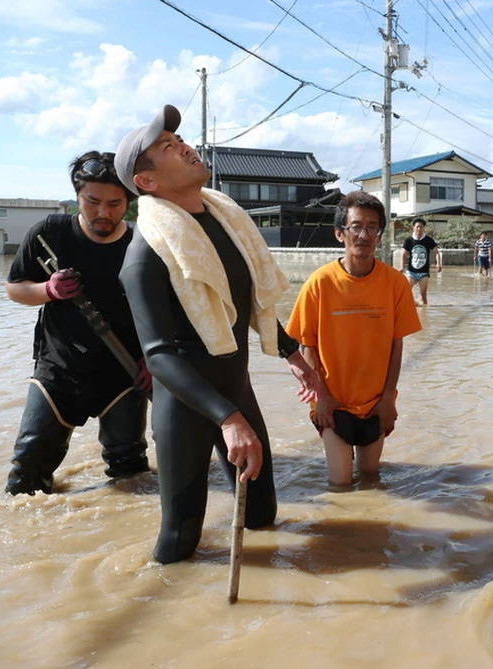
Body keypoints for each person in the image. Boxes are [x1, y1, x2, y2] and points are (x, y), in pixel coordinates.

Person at [114, 104, 320, 564]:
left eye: (179, 140)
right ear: (147, 182)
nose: (185, 147)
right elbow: (159, 356)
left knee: (262, 515)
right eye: (167, 147)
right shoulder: (145, 256)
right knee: (180, 540)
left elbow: (246, 305)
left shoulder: (225, 223)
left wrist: (292, 354)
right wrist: (229, 420)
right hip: (186, 405)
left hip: (235, 388)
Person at [5, 151, 151, 496]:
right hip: (59, 369)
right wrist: (48, 289)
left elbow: (165, 310)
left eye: (115, 203)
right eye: (92, 201)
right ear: (76, 197)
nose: (103, 212)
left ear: (128, 202)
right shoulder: (50, 233)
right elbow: (14, 289)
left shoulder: (142, 243)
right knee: (25, 479)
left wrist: (154, 358)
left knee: (132, 477)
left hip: (125, 372)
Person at [286, 191, 421, 489]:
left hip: (376, 404)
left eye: (372, 227)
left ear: (380, 234)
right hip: (332, 404)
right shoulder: (319, 283)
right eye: (356, 226)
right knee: (340, 483)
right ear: (340, 234)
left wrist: (388, 398)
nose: (364, 234)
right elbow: (307, 344)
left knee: (372, 478)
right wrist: (321, 398)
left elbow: (396, 345)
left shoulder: (396, 283)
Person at [402, 217, 441, 305]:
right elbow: (403, 254)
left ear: (424, 228)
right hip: (411, 272)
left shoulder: (428, 240)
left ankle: (424, 314)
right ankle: (414, 304)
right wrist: (402, 267)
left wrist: (438, 264)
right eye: (417, 227)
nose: (419, 229)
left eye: (421, 227)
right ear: (414, 228)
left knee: (423, 296)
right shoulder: (409, 240)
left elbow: (437, 253)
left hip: (424, 273)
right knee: (405, 292)